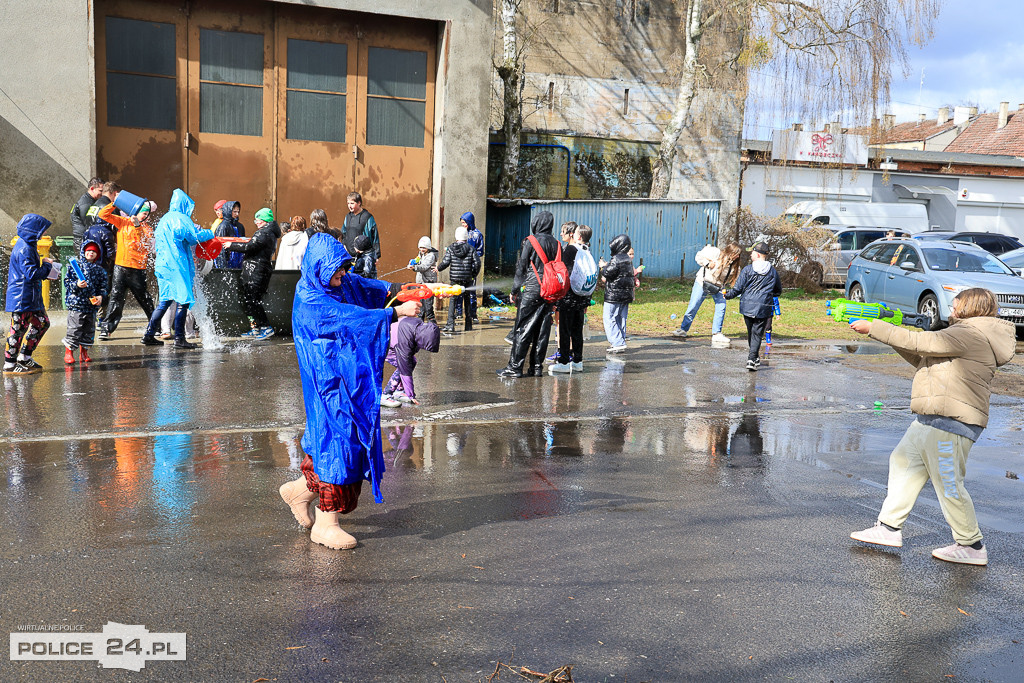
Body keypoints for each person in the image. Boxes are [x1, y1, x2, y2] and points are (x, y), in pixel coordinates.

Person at [849, 288, 1015, 566]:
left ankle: (971, 545)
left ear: (970, 307)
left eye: (956, 305)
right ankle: (888, 529)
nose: (951, 310)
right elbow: (922, 356)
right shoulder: (963, 334)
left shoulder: (970, 334)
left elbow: (922, 341)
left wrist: (875, 328)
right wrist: (894, 339)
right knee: (902, 465)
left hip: (952, 422)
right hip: (931, 419)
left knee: (949, 484)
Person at [277, 233, 421, 550]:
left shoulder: (331, 283)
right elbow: (348, 319)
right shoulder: (312, 301)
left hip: (343, 376)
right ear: (318, 268)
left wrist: (396, 290)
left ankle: (299, 492)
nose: (342, 276)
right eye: (336, 270)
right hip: (329, 383)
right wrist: (395, 313)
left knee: (342, 439)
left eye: (343, 268)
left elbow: (359, 286)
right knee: (340, 441)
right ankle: (326, 524)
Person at [141, 189, 214, 349]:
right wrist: (209, 233)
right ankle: (180, 338)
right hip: (177, 265)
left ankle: (148, 335)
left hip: (163, 265)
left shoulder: (164, 219)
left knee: (165, 302)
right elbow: (193, 237)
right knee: (184, 300)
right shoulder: (181, 219)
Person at [498, 211, 560, 378]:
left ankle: (514, 368)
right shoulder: (557, 243)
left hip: (533, 287)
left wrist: (514, 290)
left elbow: (521, 267)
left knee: (523, 327)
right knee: (542, 329)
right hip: (550, 289)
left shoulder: (531, 241)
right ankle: (537, 367)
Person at [4, 214, 57, 375]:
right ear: (32, 231)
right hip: (22, 297)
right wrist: (47, 266)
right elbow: (32, 273)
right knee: (18, 329)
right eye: (41, 231)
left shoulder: (28, 244)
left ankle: (24, 357)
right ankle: (9, 364)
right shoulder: (25, 248)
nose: (43, 234)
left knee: (42, 323)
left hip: (30, 296)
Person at [96, 200, 156, 339]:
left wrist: (137, 225)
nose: (144, 216)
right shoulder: (123, 221)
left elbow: (143, 242)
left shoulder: (147, 228)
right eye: (142, 213)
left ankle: (155, 325)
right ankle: (107, 328)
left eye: (146, 214)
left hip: (137, 269)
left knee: (144, 299)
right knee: (116, 298)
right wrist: (115, 203)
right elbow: (103, 214)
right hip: (121, 267)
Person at [722, 240, 782, 371]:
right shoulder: (772, 271)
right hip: (763, 307)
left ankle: (751, 359)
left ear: (759, 254)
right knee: (756, 334)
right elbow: (778, 290)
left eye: (753, 252)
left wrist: (727, 295)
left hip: (747, 306)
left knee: (752, 333)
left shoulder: (748, 270)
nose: (750, 255)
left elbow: (737, 289)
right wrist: (770, 294)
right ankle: (753, 358)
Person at [222, 207, 281, 339]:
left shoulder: (263, 233)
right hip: (257, 270)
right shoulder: (269, 233)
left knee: (253, 301)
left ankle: (266, 327)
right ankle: (255, 327)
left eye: (258, 219)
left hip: (256, 271)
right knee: (250, 301)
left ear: (265, 220)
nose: (256, 222)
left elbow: (250, 246)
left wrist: (231, 245)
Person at [673, 243, 741, 347]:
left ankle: (717, 333)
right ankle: (683, 330)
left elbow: (737, 280)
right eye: (736, 253)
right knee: (694, 305)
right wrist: (708, 263)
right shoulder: (715, 252)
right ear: (729, 251)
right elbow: (698, 256)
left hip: (718, 287)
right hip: (702, 282)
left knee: (721, 306)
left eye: (738, 255)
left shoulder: (735, 266)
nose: (737, 256)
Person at [550, 223, 595, 374]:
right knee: (577, 330)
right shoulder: (586, 250)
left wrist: (557, 297)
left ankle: (563, 362)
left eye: (574, 232)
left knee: (564, 329)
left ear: (579, 236)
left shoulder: (571, 249)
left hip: (569, 296)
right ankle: (578, 361)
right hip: (582, 296)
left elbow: (563, 272)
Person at [62, 238, 107, 364]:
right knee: (74, 328)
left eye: (94, 251)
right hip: (77, 304)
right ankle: (69, 352)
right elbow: (67, 282)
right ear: (83, 252)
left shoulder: (99, 270)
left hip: (91, 306)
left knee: (89, 329)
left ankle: (84, 352)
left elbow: (103, 286)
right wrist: (76, 284)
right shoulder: (75, 266)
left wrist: (100, 296)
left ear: (98, 254)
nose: (91, 253)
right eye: (88, 251)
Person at [381, 315, 441, 407]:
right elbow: (405, 369)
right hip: (383, 344)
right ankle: (385, 395)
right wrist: (410, 394)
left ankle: (399, 391)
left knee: (411, 362)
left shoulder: (418, 325)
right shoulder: (405, 340)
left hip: (392, 337)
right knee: (404, 366)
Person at [437, 225, 480, 334]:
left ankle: (450, 325)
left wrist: (438, 268)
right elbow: (477, 263)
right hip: (467, 278)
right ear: (466, 237)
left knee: (453, 300)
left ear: (456, 236)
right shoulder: (471, 248)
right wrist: (473, 274)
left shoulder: (451, 248)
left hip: (455, 279)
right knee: (467, 301)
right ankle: (468, 325)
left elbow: (446, 262)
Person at [598, 234, 634, 354]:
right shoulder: (627, 259)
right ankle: (621, 340)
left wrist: (603, 266)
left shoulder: (616, 259)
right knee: (620, 318)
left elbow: (607, 274)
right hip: (626, 295)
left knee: (609, 318)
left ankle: (617, 342)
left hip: (614, 295)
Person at [408, 236, 438, 323]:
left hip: (428, 281)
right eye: (420, 247)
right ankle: (420, 320)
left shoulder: (431, 256)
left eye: (424, 248)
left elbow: (424, 266)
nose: (422, 249)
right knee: (420, 301)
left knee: (428, 303)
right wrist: (412, 262)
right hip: (420, 282)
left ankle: (431, 321)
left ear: (428, 247)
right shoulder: (420, 254)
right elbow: (417, 260)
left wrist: (414, 268)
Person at [342, 192, 380, 260]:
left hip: (364, 257)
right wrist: (344, 246)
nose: (349, 206)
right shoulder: (347, 217)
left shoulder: (367, 217)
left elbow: (375, 236)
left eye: (352, 203)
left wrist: (376, 255)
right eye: (348, 203)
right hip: (349, 257)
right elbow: (343, 233)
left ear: (359, 203)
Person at [461, 211, 484, 323]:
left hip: (472, 267)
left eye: (464, 222)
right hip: (461, 266)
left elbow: (480, 251)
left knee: (471, 291)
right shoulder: (461, 233)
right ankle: (459, 312)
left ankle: (473, 314)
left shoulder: (477, 234)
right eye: (461, 223)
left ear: (469, 222)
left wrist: (471, 255)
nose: (463, 225)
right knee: (459, 290)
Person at [71, 177, 103, 254]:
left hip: (85, 238)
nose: (102, 194)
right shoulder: (85, 203)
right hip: (82, 240)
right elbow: (88, 223)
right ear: (92, 188)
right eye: (100, 191)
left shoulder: (91, 200)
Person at [213, 200, 246, 269]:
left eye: (238, 211)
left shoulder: (240, 226)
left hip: (238, 261)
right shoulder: (223, 226)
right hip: (227, 261)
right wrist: (221, 266)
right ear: (228, 211)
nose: (237, 214)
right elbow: (219, 247)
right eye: (234, 211)